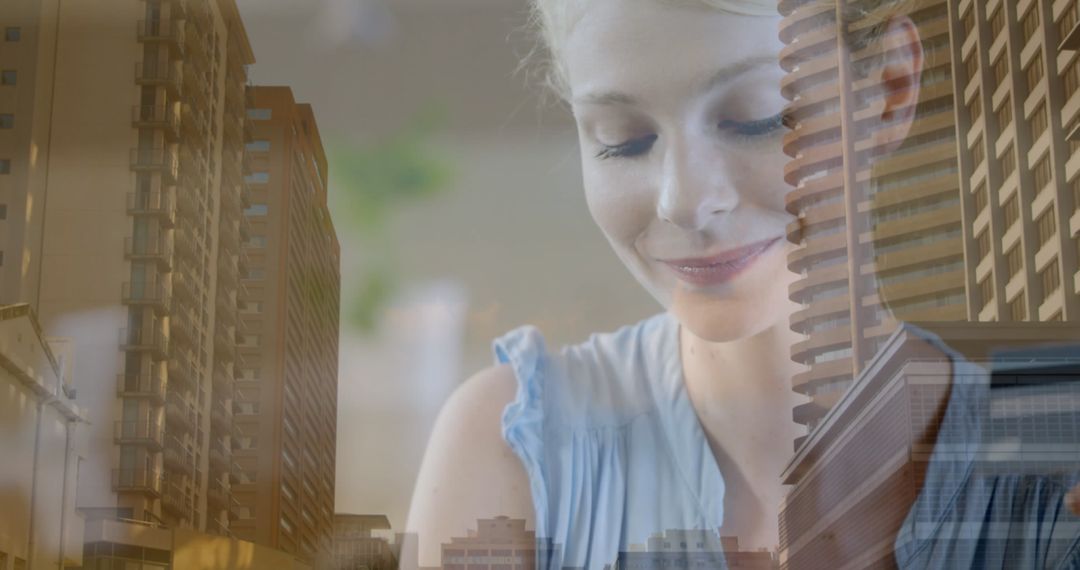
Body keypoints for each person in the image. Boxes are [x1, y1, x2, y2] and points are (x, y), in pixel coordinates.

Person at [404, 0, 1080, 568]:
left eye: (758, 117)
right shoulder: (511, 454)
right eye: (622, 139)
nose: (683, 200)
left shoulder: (1057, 459)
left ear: (888, 92)